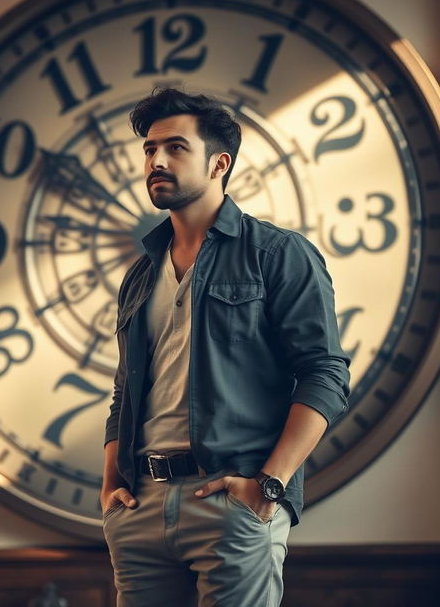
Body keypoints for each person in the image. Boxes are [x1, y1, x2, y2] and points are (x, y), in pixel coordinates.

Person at [101, 87, 350, 607]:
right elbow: (125, 392)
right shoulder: (141, 274)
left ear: (219, 163)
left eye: (175, 148)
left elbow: (325, 375)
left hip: (230, 499)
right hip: (141, 506)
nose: (156, 161)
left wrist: (270, 485)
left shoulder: (279, 254)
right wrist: (111, 489)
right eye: (149, 149)